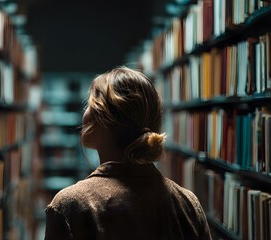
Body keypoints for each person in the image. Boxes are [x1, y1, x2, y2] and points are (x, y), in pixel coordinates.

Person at [44, 67, 212, 240]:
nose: (84, 113)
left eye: (89, 104)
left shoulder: (70, 205)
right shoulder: (187, 204)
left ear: (104, 119)